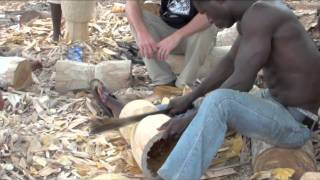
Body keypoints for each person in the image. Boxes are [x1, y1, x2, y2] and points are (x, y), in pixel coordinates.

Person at [156, 0, 320, 179]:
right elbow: (229, 63)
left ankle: (176, 177)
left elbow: (242, 81)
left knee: (219, 102)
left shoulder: (262, 13)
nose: (208, 19)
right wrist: (189, 99)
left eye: (206, 12)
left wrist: (190, 117)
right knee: (203, 103)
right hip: (277, 102)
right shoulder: (252, 14)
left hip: (295, 122)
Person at [125, 0, 218, 88]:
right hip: (167, 31)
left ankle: (184, 85)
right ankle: (164, 81)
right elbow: (131, 3)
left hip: (195, 35)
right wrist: (142, 33)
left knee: (210, 25)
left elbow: (212, 12)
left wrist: (176, 36)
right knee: (138, 19)